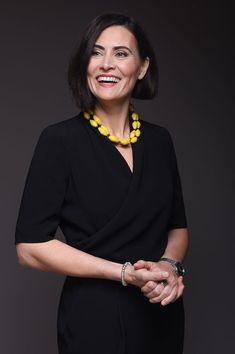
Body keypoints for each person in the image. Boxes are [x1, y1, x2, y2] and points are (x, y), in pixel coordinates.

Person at [15, 13, 189, 354]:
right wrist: (124, 273)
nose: (106, 64)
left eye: (121, 53)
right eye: (96, 53)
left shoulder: (159, 141)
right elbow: (29, 248)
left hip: (160, 314)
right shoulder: (59, 141)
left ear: (142, 67)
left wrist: (168, 267)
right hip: (93, 319)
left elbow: (177, 227)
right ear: (85, 63)